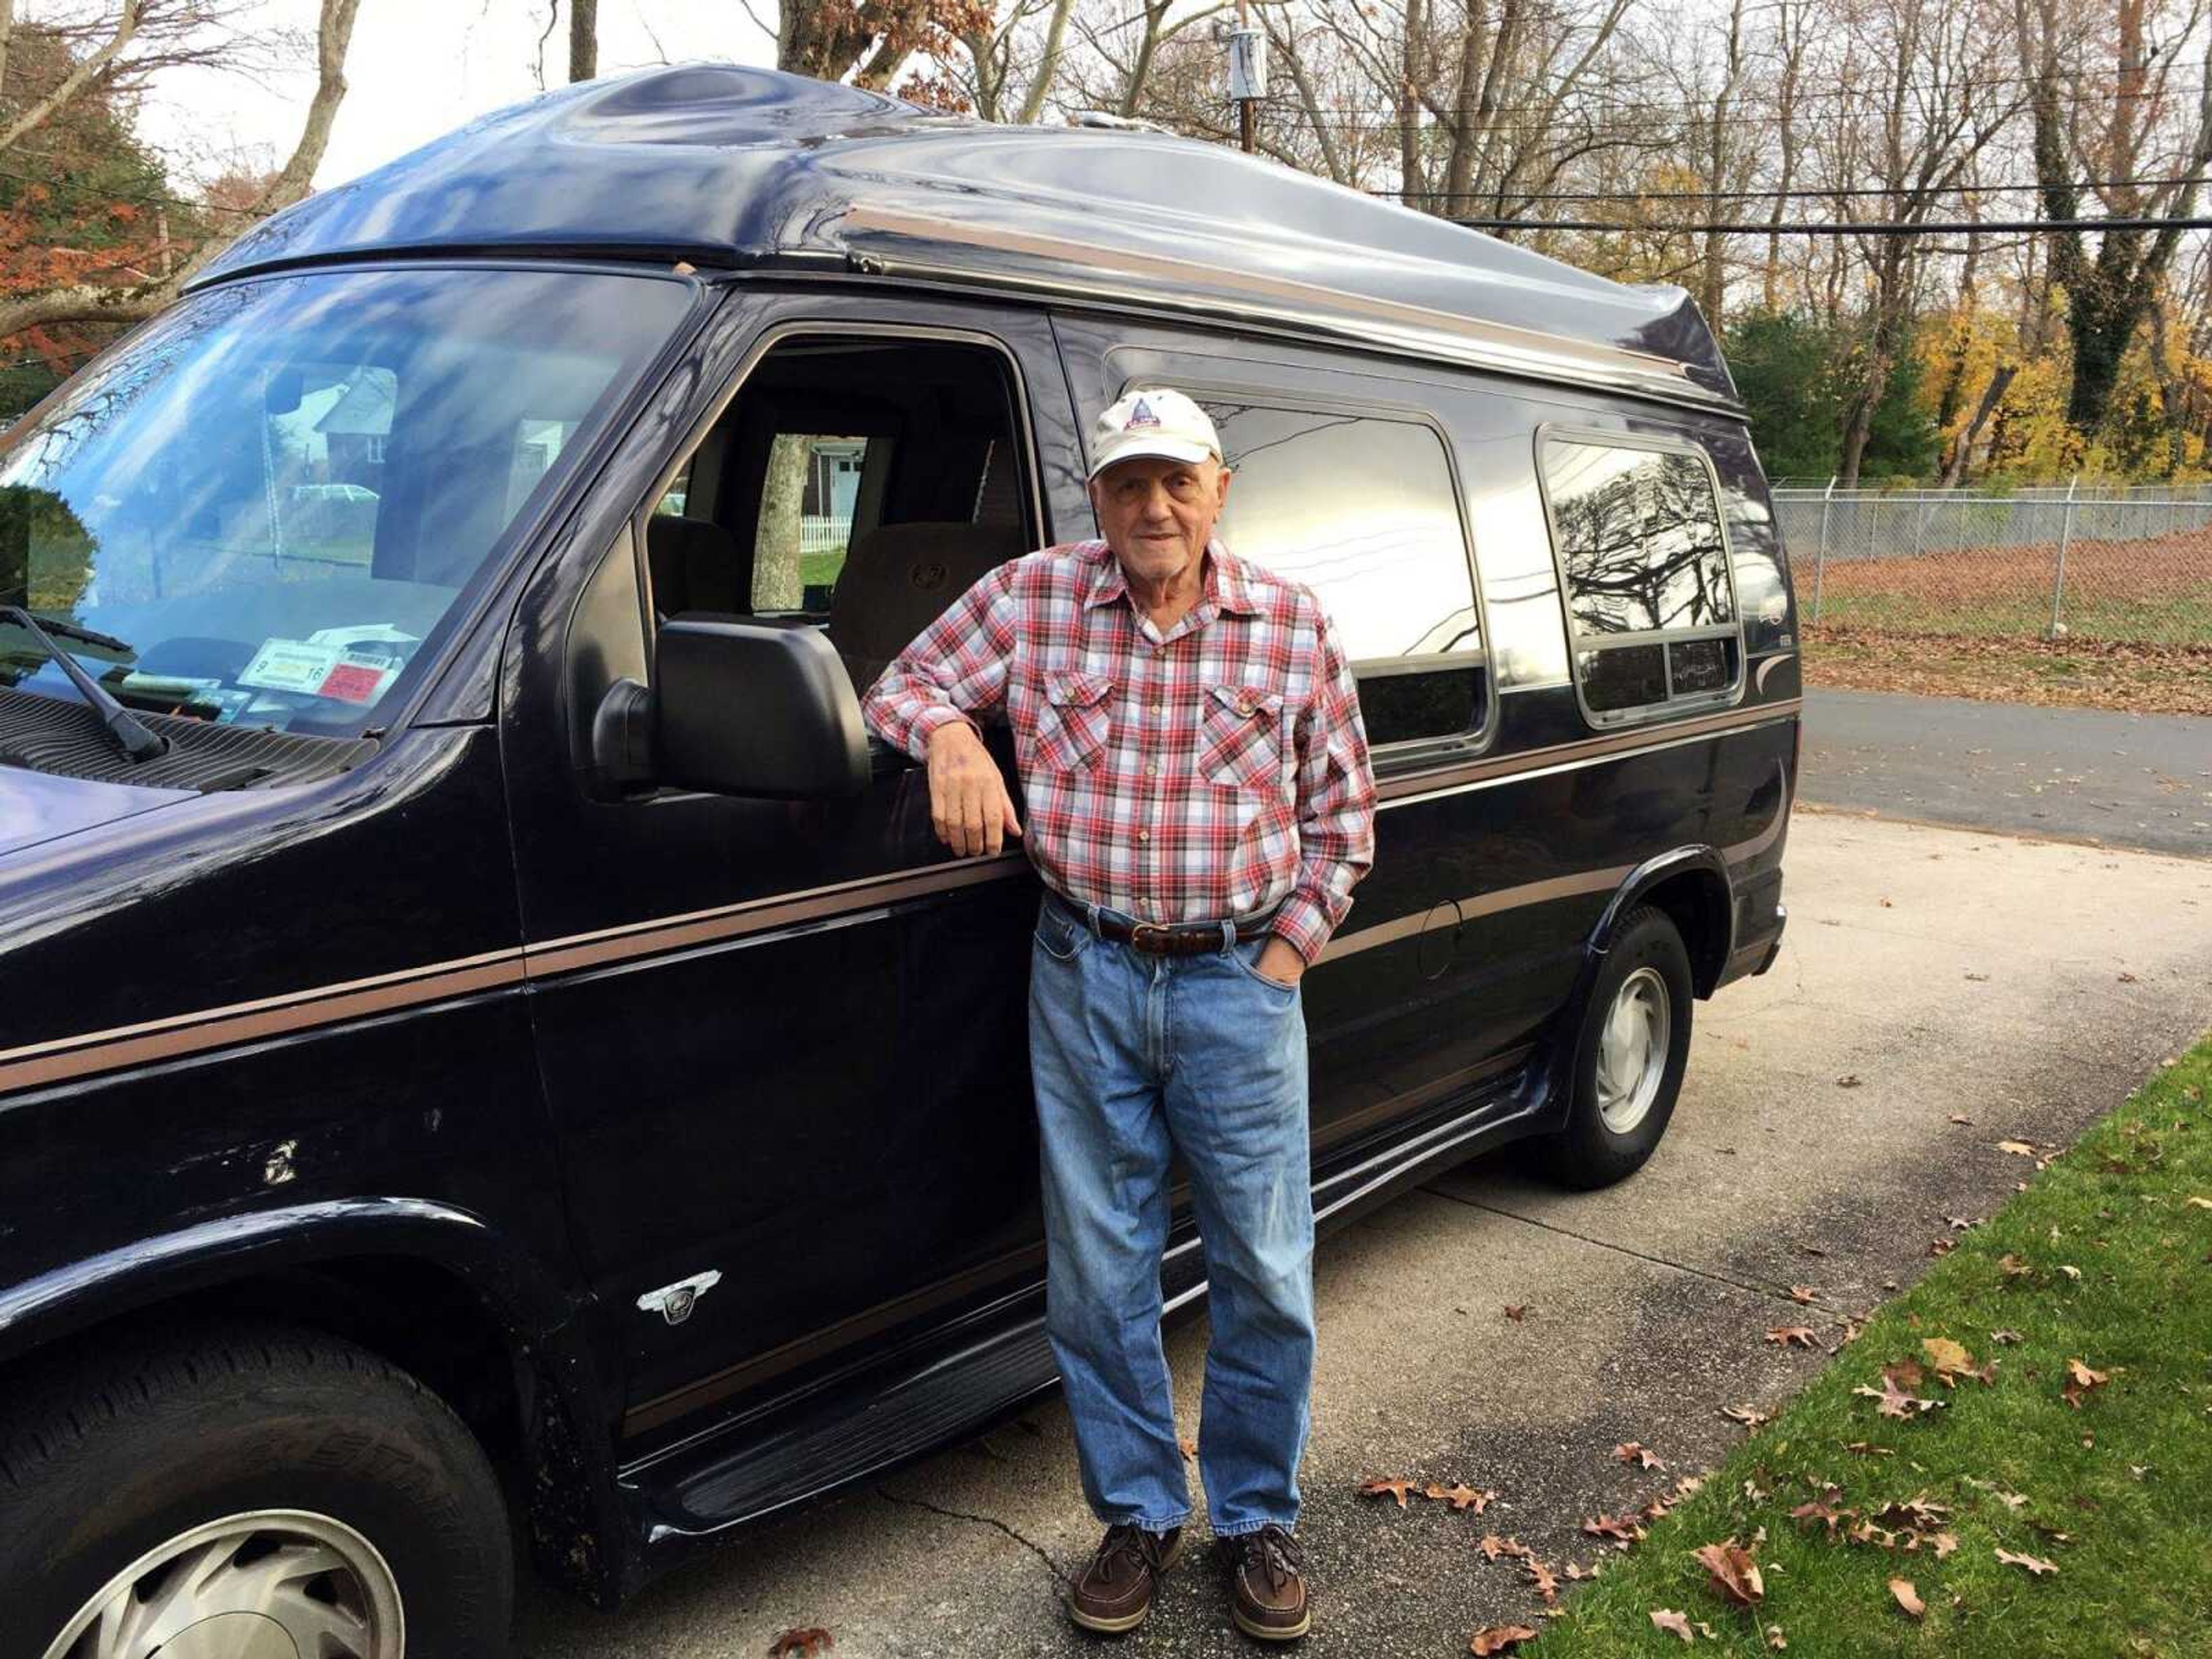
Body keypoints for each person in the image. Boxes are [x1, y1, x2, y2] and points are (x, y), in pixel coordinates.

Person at [861, 387, 1375, 1641]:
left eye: (1176, 481)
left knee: (1265, 1268)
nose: (1153, 506)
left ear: (1219, 487)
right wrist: (951, 741)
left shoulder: (1291, 626)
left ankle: (1257, 1517)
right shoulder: (1033, 599)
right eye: (1127, 483)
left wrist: (1283, 960)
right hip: (1082, 973)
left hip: (1236, 982)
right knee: (1098, 1271)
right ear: (1096, 495)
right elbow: (901, 681)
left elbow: (1345, 822)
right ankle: (1139, 1512)